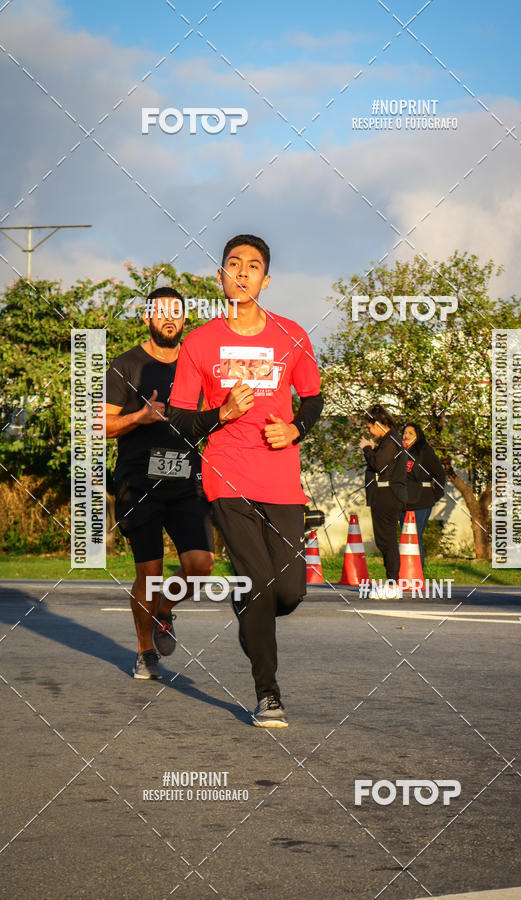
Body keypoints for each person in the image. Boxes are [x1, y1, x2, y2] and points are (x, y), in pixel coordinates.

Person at [168, 234, 323, 727]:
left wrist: (295, 427)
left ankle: (248, 609)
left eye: (252, 266)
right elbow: (179, 420)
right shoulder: (200, 342)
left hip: (281, 480)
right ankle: (268, 693)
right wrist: (220, 413)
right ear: (221, 277)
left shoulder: (292, 335)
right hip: (226, 476)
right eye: (232, 264)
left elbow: (314, 399)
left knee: (290, 592)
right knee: (258, 582)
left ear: (265, 279)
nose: (241, 272)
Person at [105, 287, 215, 681]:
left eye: (176, 312)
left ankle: (164, 609)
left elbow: (208, 415)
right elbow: (101, 425)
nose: (169, 318)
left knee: (200, 566)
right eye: (160, 312)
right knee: (148, 572)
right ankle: (144, 650)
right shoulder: (127, 365)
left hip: (187, 481)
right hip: (139, 484)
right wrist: (140, 418)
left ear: (185, 318)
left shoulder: (196, 362)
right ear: (146, 318)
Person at [360, 405, 406, 599]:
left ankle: (392, 583)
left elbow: (378, 464)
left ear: (378, 424)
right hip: (385, 494)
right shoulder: (391, 440)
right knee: (385, 540)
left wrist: (368, 449)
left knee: (386, 540)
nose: (370, 431)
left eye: (370, 427)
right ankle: (392, 583)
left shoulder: (391, 441)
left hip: (387, 495)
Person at [399, 422, 446, 569]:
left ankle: (417, 573)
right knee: (405, 537)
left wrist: (434, 496)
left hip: (421, 502)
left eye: (410, 433)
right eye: (404, 433)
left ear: (418, 435)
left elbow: (439, 474)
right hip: (403, 501)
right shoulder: (400, 452)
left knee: (415, 536)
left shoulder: (424, 451)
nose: (406, 436)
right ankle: (405, 573)